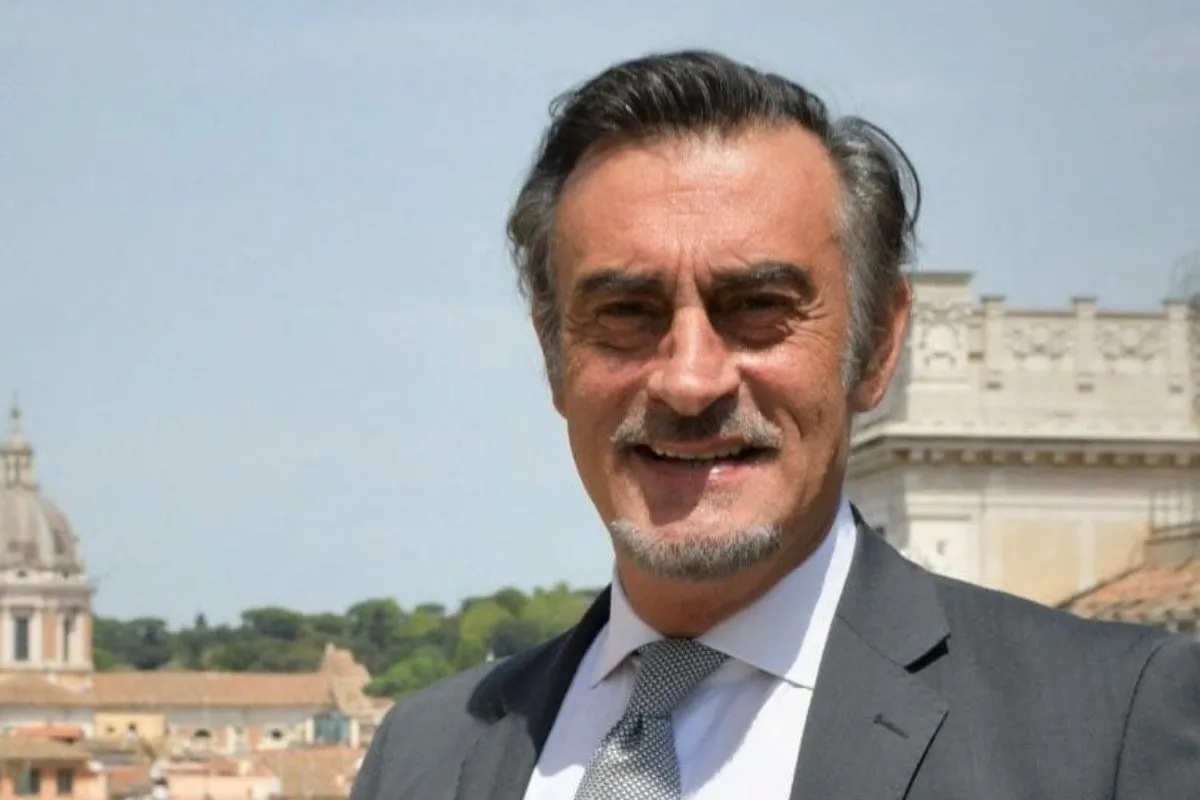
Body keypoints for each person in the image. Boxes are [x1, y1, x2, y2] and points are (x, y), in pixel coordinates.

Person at [351, 50, 1200, 799]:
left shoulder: (1108, 729)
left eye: (758, 306)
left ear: (876, 346)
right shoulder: (423, 756)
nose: (690, 381)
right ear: (553, 354)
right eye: (627, 312)